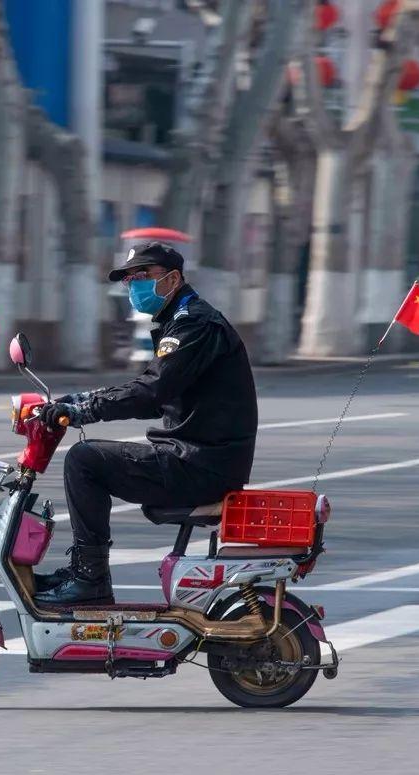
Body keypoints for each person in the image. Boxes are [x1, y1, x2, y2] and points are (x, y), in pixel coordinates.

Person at [35, 241, 259, 606]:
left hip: (198, 465)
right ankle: (85, 572)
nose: (133, 285)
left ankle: (90, 577)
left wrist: (85, 411)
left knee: (84, 460)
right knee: (88, 457)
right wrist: (77, 402)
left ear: (171, 279)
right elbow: (154, 390)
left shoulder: (194, 325)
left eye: (142, 276)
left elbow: (151, 391)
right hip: (197, 459)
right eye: (128, 279)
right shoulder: (183, 319)